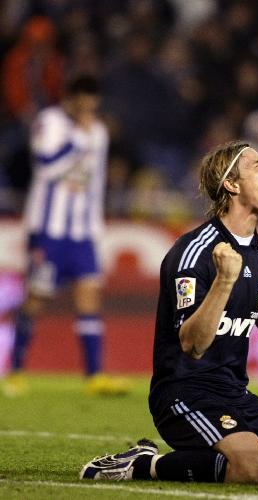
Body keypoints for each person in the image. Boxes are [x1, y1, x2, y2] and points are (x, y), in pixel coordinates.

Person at [80, 140, 258, 483]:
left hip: (236, 397)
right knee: (253, 469)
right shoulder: (194, 252)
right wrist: (224, 281)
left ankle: (234, 455)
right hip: (184, 395)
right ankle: (143, 464)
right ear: (231, 183)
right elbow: (192, 345)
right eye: (257, 165)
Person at [3, 75, 129, 397]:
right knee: (37, 297)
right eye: (82, 100)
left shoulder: (98, 132)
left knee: (89, 297)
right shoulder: (50, 122)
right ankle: (15, 371)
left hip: (82, 232)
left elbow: (96, 179)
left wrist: (95, 223)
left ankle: (94, 375)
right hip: (48, 231)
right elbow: (46, 166)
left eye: (92, 101)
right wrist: (77, 140)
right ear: (70, 98)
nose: (87, 107)